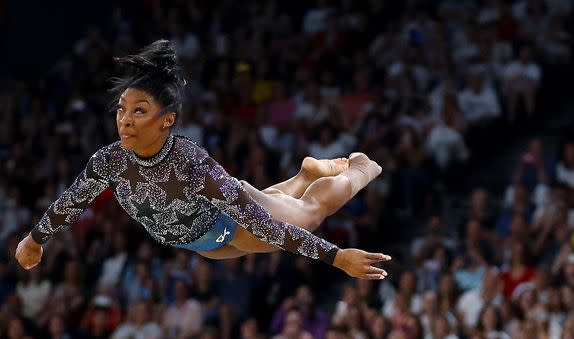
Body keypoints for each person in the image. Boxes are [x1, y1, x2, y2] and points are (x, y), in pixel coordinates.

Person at [15, 40, 390, 280]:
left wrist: (337, 257)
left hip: (239, 224)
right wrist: (35, 239)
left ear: (167, 120)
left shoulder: (191, 167)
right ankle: (305, 172)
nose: (125, 119)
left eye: (139, 110)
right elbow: (72, 201)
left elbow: (264, 226)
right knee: (276, 207)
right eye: (121, 110)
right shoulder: (109, 161)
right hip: (205, 244)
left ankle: (361, 168)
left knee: (311, 210)